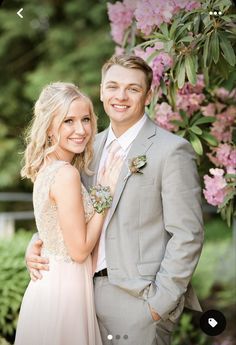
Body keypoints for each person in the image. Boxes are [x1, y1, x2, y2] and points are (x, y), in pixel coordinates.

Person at [26, 55, 204, 345]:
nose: (120, 96)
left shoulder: (172, 151)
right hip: (79, 297)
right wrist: (37, 244)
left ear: (148, 95)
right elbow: (67, 212)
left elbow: (188, 234)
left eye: (133, 89)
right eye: (113, 86)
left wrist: (158, 306)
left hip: (137, 304)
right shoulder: (85, 147)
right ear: (101, 91)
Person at [14, 82, 123, 345]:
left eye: (85, 119)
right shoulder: (66, 174)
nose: (81, 130)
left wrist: (35, 242)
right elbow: (79, 250)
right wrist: (105, 194)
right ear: (50, 128)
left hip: (51, 286)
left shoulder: (47, 168)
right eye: (68, 121)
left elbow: (54, 229)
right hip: (66, 291)